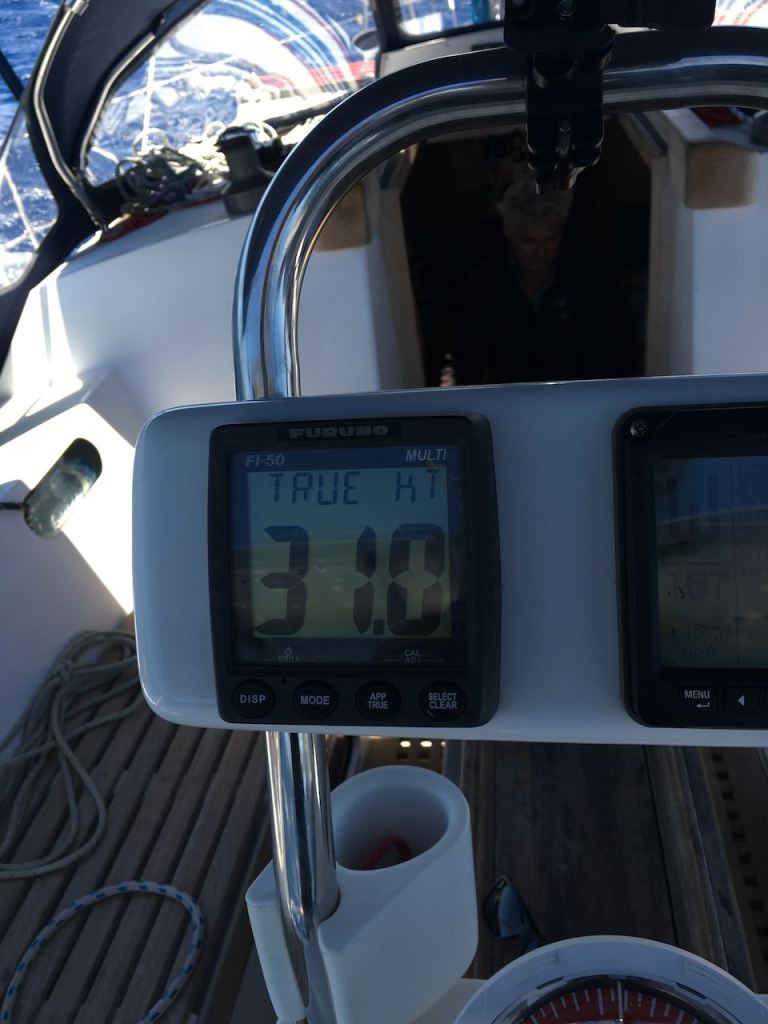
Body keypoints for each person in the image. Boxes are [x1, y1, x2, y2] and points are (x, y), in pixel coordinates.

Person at [449, 173, 638, 385]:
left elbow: (620, 349)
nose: (540, 252)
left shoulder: (592, 275)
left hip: (580, 395)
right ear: (508, 232)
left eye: (551, 239)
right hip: (512, 399)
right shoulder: (483, 286)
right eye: (528, 241)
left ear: (562, 229)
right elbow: (467, 363)